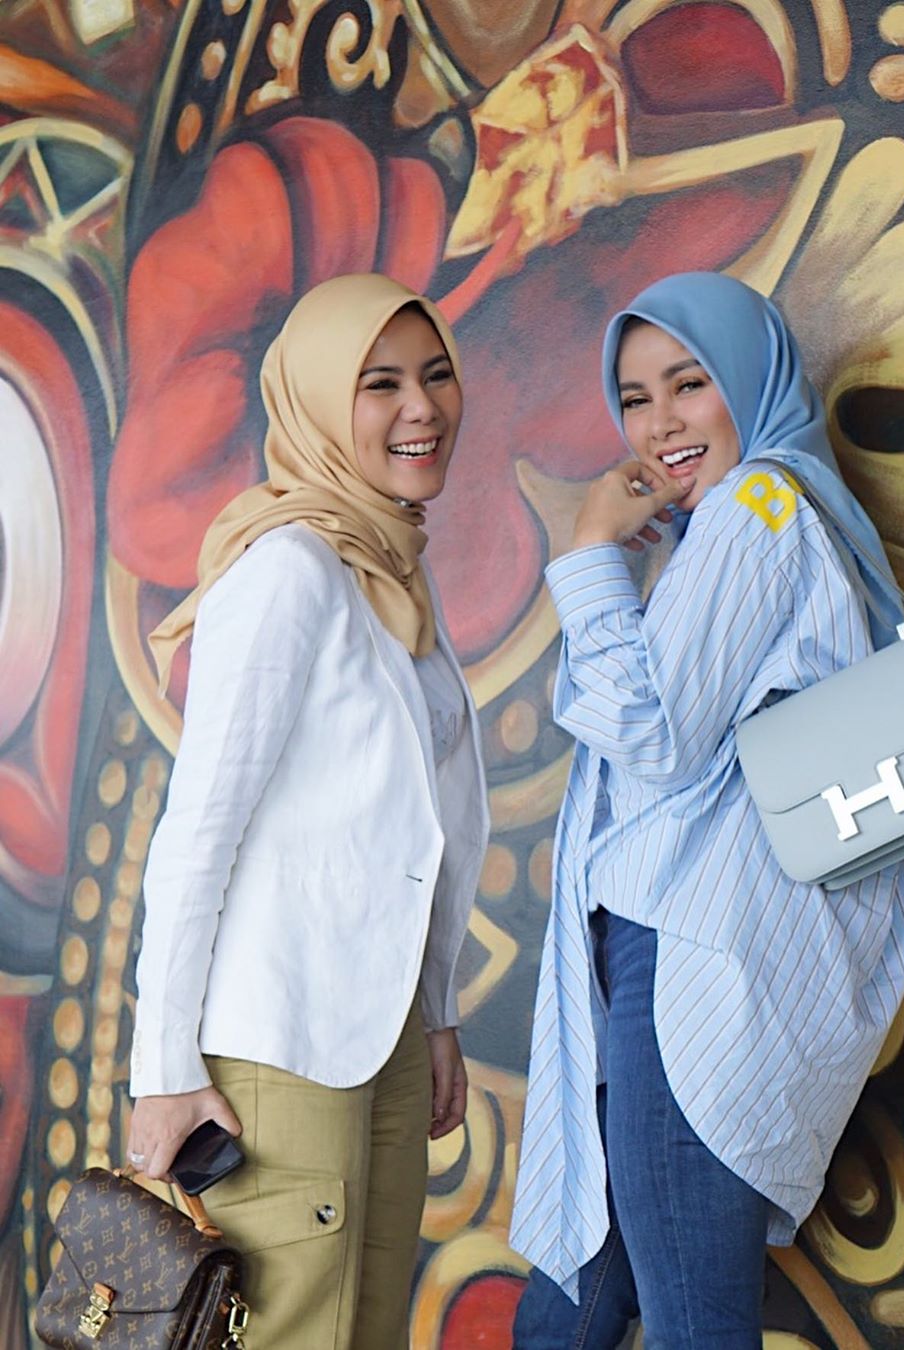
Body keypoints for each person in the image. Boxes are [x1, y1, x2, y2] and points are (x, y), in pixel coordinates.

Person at [509, 273, 904, 1348]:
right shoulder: (742, 527)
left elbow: (652, 735)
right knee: (565, 1316)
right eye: (634, 398)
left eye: (689, 383)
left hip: (692, 961)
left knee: (693, 1320)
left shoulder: (759, 507)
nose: (659, 423)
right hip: (669, 956)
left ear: (748, 376)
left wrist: (586, 557)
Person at [125, 273, 490, 1349]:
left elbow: (416, 830)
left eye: (435, 376)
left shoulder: (388, 568)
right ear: (321, 401)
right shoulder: (289, 570)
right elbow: (198, 834)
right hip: (279, 1048)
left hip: (376, 1037)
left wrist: (434, 1014)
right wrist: (163, 1073)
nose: (421, 408)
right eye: (380, 384)